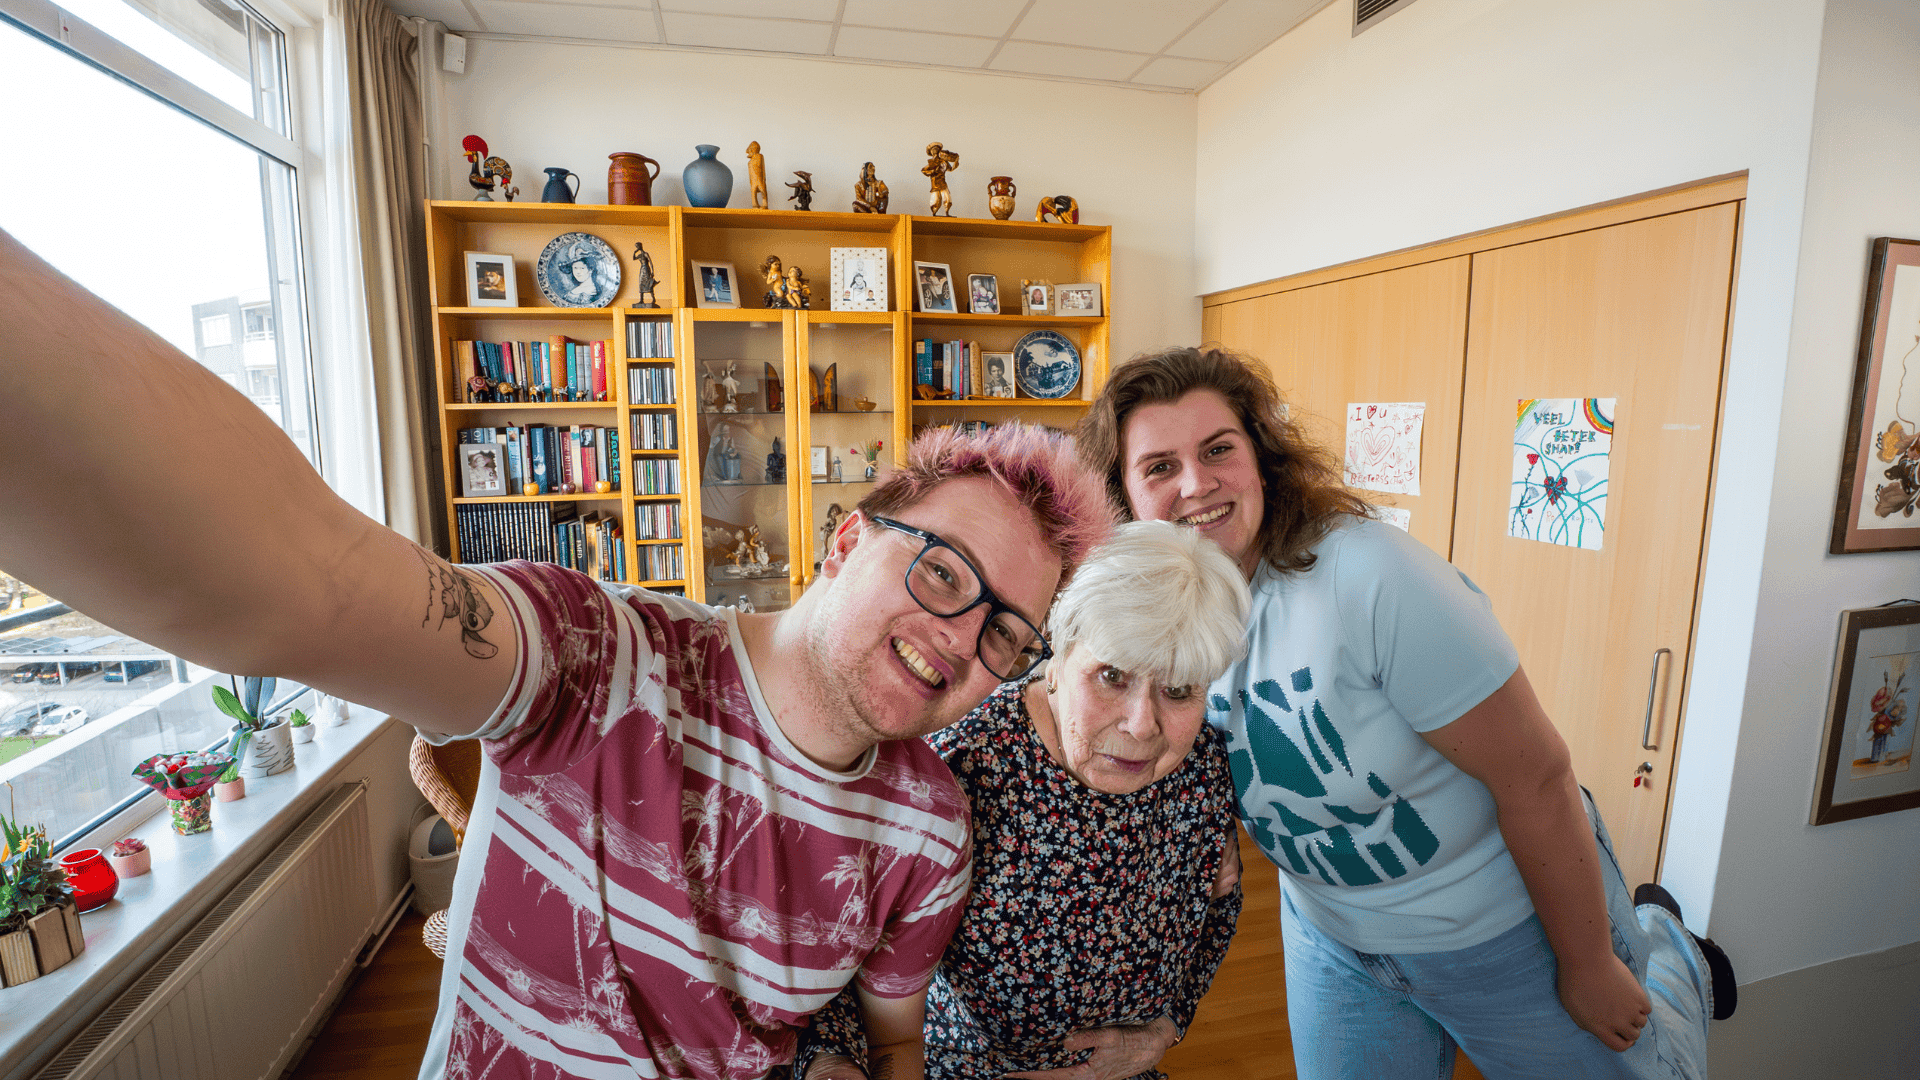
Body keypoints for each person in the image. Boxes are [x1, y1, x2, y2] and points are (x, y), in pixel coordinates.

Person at [0, 226, 1117, 1080]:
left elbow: (895, 1044)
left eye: (1004, 631)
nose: (960, 637)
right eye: (942, 572)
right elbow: (308, 585)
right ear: (845, 540)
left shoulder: (930, 826)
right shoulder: (597, 654)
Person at [1074, 346, 1733, 1080]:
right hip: (1332, 938)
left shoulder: (1371, 577)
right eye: (1159, 466)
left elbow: (1538, 777)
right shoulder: (1147, 614)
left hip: (1505, 928)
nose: (1196, 484)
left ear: (1261, 459)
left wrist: (1588, 965)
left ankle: (1673, 958)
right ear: (1123, 494)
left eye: (1218, 449)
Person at [797, 519, 1251, 1080]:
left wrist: (1168, 1027)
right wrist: (831, 1061)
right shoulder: (962, 764)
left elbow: (1218, 909)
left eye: (1178, 690)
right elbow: (834, 951)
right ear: (1059, 654)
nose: (1141, 724)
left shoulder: (1201, 764)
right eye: (1112, 675)